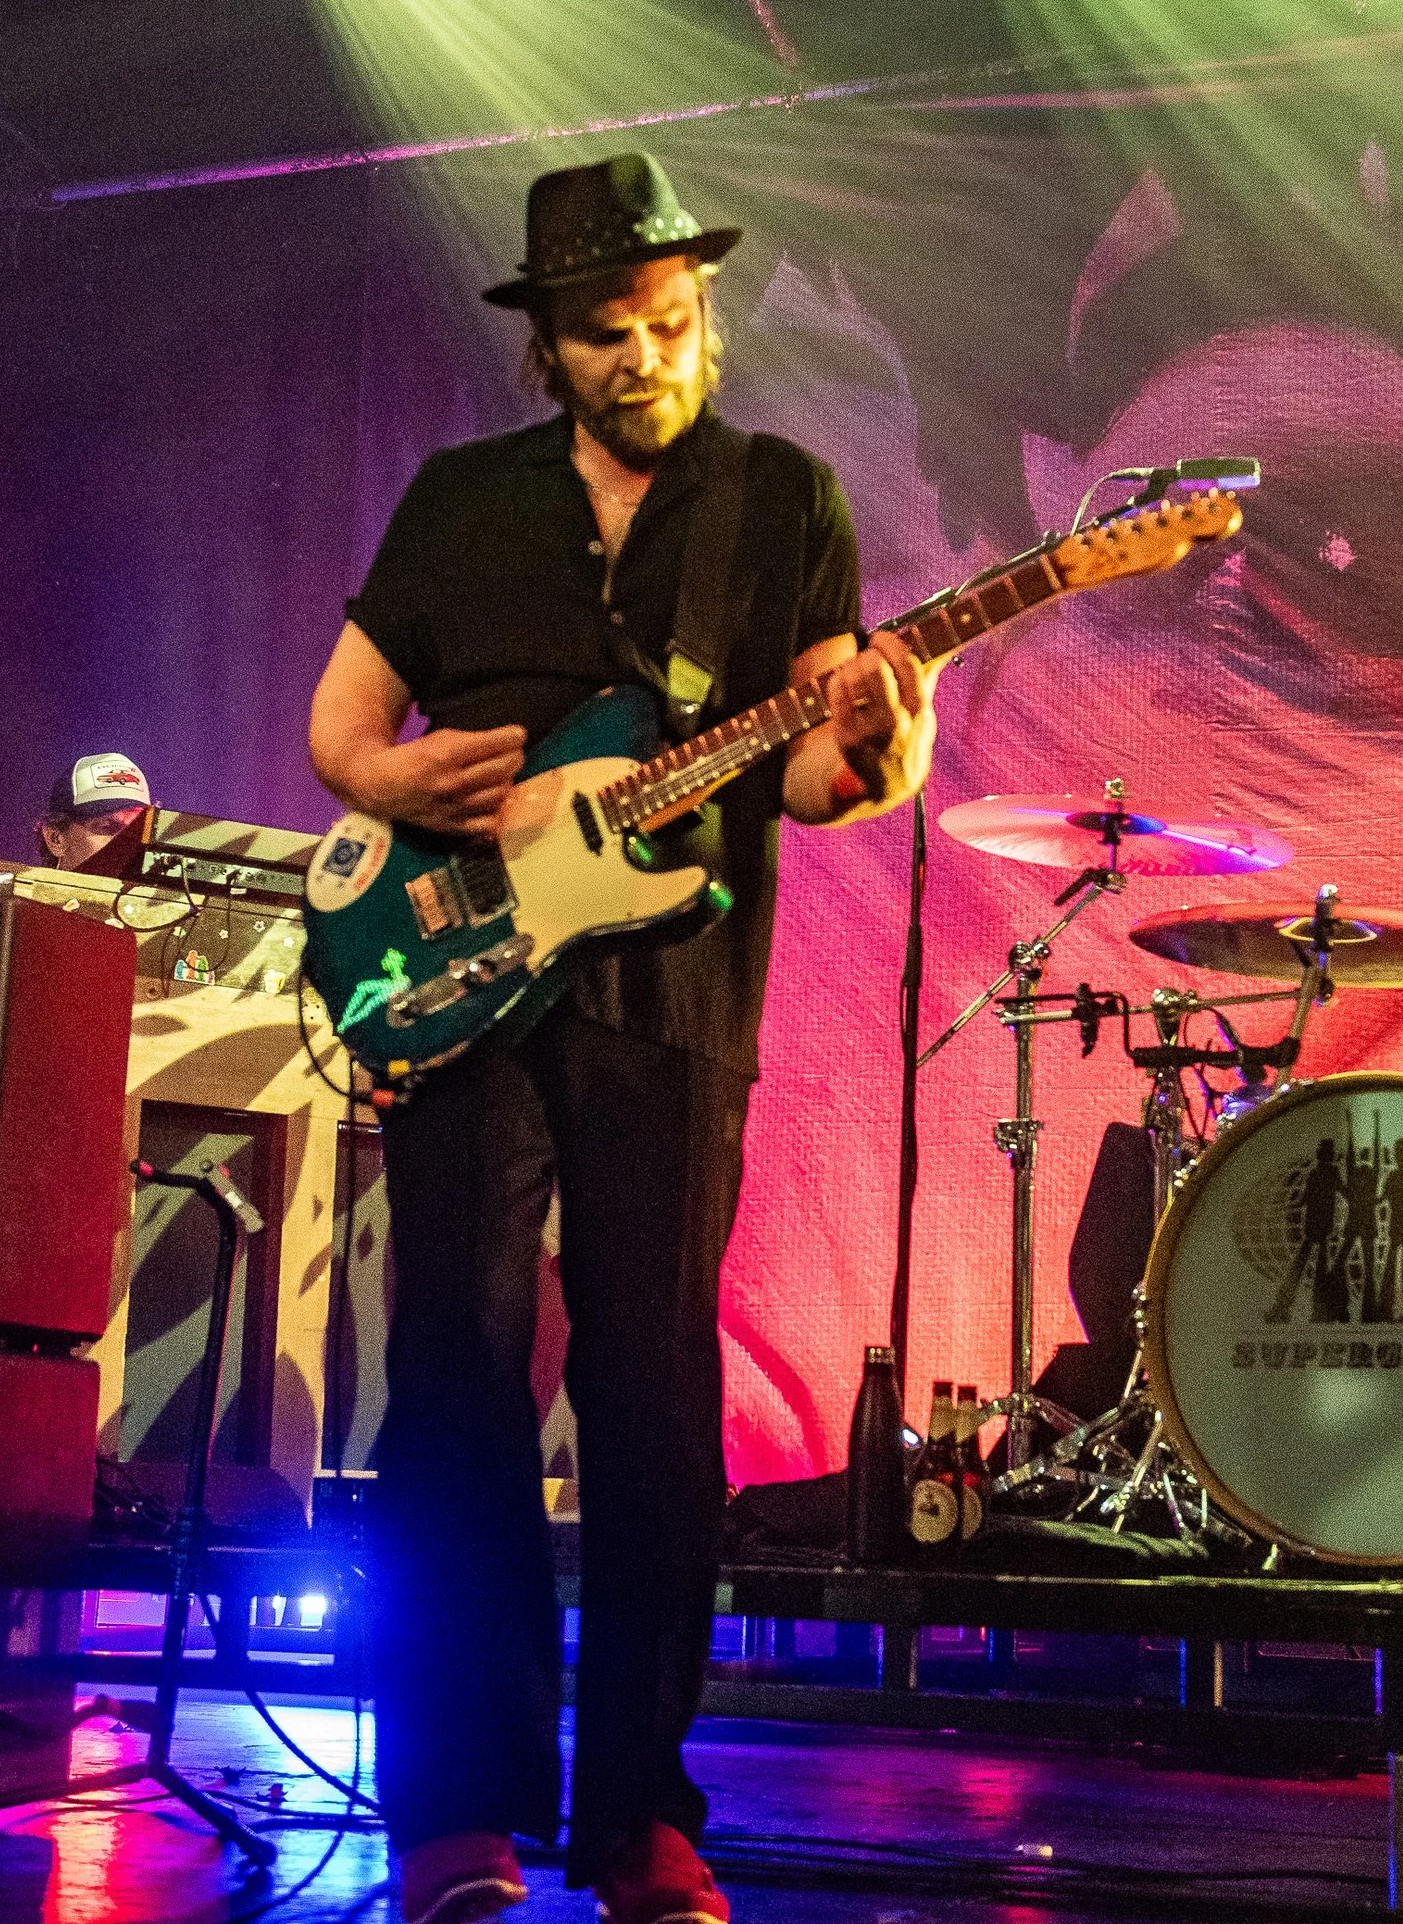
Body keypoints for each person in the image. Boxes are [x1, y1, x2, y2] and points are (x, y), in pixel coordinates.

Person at [306, 154, 936, 1924]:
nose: (653, 355)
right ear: (549, 345)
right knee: (453, 1373)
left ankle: (641, 1814)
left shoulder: (778, 498)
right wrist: (390, 773)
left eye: (676, 323)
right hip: (457, 978)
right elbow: (340, 720)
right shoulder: (459, 501)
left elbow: (815, 776)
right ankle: (452, 1811)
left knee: (655, 1393)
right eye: (611, 334)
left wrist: (880, 730)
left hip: (670, 996)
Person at [36, 751, 151, 869]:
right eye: (107, 828)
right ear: (55, 839)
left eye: (138, 832)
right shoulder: (20, 887)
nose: (129, 845)